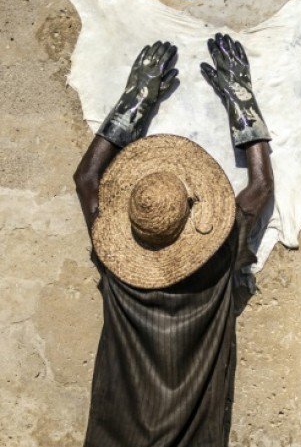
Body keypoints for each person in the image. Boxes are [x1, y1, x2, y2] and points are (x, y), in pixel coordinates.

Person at [73, 33, 274, 446]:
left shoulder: (115, 268)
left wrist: (133, 101)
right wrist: (240, 97)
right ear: (192, 207)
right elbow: (260, 186)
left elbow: (86, 178)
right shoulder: (218, 260)